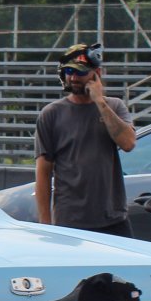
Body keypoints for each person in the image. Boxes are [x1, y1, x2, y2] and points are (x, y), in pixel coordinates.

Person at [33, 42, 138, 237]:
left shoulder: (114, 106)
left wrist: (99, 101)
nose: (73, 77)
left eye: (80, 72)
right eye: (69, 71)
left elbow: (128, 143)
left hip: (113, 218)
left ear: (96, 73)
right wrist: (45, 224)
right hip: (70, 221)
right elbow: (43, 172)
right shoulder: (51, 114)